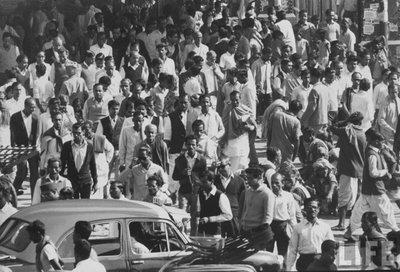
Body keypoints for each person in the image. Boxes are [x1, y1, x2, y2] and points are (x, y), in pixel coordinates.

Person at [345, 129, 400, 242]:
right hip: (376, 191)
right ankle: (397, 233)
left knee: (357, 213)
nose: (382, 143)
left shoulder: (373, 151)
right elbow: (373, 173)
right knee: (386, 214)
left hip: (368, 190)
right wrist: (385, 172)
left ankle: (349, 232)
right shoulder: (372, 155)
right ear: (375, 141)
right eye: (380, 141)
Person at [330, 112, 367, 231]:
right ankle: (352, 223)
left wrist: (346, 120)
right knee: (354, 198)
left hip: (347, 170)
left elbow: (332, 127)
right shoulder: (363, 134)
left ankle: (341, 224)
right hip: (358, 171)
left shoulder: (347, 132)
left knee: (344, 197)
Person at [286, 198, 334, 271]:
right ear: (305, 209)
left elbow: (331, 247)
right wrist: (289, 268)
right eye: (309, 207)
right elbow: (293, 250)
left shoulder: (325, 227)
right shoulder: (298, 227)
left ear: (318, 209)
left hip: (320, 261)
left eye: (315, 207)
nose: (312, 210)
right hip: (304, 262)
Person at [173, 135, 207, 235]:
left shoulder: (202, 159)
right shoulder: (180, 159)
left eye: (193, 144)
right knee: (181, 216)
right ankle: (182, 237)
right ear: (185, 145)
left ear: (196, 145)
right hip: (184, 191)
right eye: (189, 144)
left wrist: (198, 183)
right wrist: (182, 173)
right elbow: (175, 176)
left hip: (196, 192)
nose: (191, 147)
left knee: (195, 217)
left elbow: (205, 177)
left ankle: (193, 238)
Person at [239, 167, 275, 251]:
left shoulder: (267, 194)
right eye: (247, 178)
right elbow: (244, 211)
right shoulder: (247, 192)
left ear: (259, 177)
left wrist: (259, 234)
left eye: (250, 178)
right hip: (245, 231)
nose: (247, 181)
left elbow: (268, 218)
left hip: (257, 235)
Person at [10, 97, 40, 197]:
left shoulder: (35, 117)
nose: (33, 109)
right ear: (26, 106)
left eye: (34, 107)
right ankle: (11, 194)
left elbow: (36, 134)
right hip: (20, 149)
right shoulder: (15, 117)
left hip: (32, 149)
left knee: (34, 175)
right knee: (22, 173)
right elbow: (12, 135)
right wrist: (14, 150)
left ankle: (34, 198)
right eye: (31, 107)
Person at [60, 123, 98, 199]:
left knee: (85, 204)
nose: (76, 135)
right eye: (74, 133)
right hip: (72, 181)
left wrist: (95, 182)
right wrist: (61, 179)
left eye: (79, 133)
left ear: (83, 132)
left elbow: (93, 165)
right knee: (72, 205)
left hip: (85, 181)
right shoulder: (67, 146)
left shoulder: (89, 146)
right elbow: (62, 164)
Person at [221, 91, 256, 171]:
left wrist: (249, 127)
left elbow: (253, 123)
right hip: (232, 141)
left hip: (242, 139)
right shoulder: (227, 109)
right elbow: (224, 124)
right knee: (233, 164)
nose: (234, 102)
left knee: (243, 163)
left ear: (240, 99)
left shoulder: (245, 109)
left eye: (237, 100)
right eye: (232, 100)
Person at [83, 120, 114, 199]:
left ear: (92, 129)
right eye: (84, 129)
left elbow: (110, 149)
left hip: (101, 169)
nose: (86, 131)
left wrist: (107, 161)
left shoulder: (100, 138)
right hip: (89, 169)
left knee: (100, 191)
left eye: (87, 129)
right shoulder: (83, 140)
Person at [197, 170, 233, 237]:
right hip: (201, 232)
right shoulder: (201, 193)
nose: (201, 184)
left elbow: (228, 216)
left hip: (215, 234)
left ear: (212, 182)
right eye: (200, 182)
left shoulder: (220, 196)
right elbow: (199, 212)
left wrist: (210, 219)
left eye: (204, 182)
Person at [270, 172, 297, 258]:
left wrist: (294, 231)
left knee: (283, 252)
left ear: (282, 183)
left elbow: (292, 215)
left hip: (283, 226)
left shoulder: (288, 196)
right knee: (268, 252)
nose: (274, 185)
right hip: (270, 226)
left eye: (277, 182)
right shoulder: (268, 195)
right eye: (272, 182)